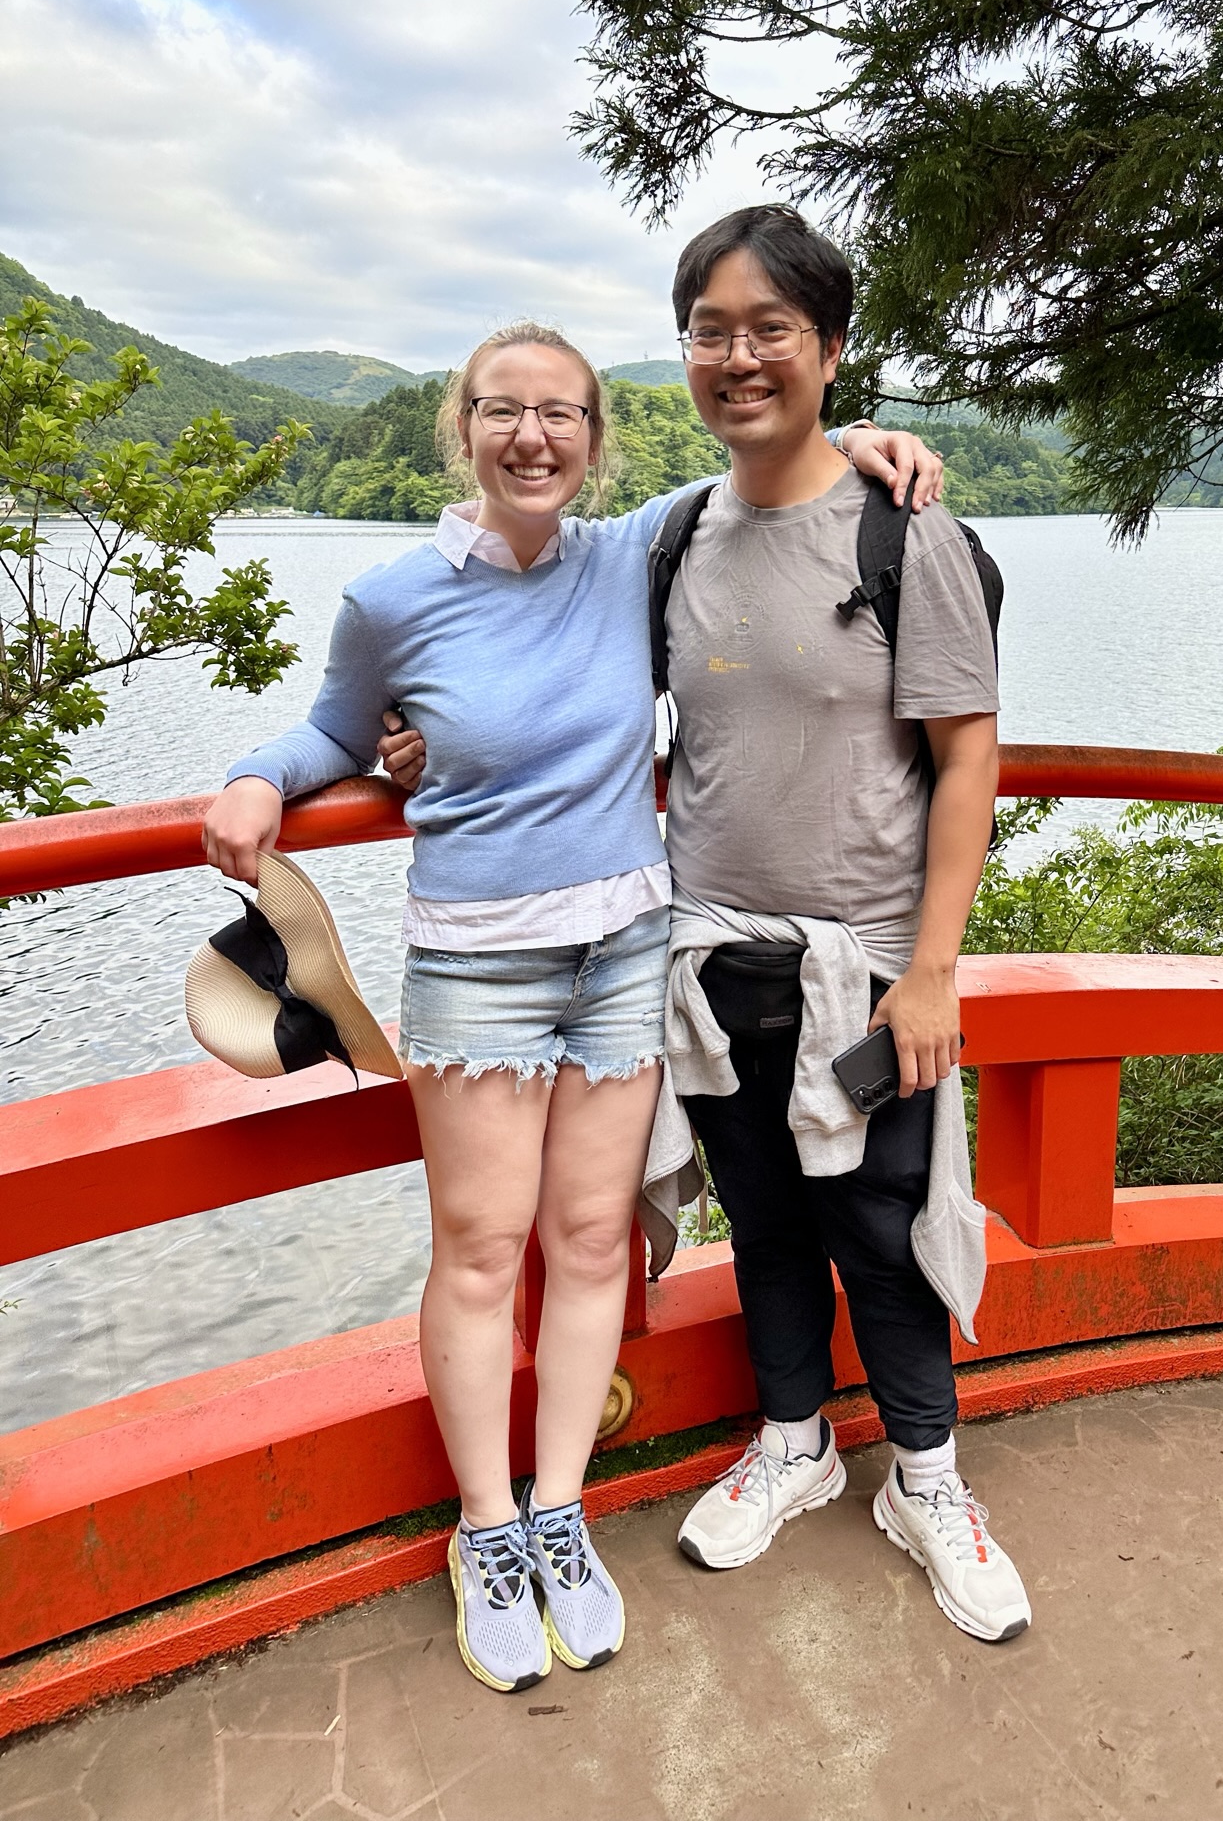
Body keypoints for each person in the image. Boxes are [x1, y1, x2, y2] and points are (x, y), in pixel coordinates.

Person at [201, 317, 940, 1695]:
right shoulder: (392, 596)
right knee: (483, 1252)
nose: (531, 436)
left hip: (623, 952)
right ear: (464, 430)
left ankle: (560, 1508)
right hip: (475, 960)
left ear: (597, 442)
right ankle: (485, 1531)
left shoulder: (635, 557)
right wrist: (261, 776)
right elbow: (333, 731)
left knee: (593, 1240)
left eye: (561, 415)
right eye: (502, 412)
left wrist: (869, 445)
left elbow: (767, 473)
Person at [643, 206, 1031, 1642]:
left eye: (769, 330)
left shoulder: (901, 526)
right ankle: (798, 1447)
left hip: (863, 972)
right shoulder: (678, 534)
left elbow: (969, 756)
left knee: (880, 1226)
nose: (737, 357)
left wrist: (933, 973)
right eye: (710, 329)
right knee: (763, 1226)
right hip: (710, 959)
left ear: (829, 349)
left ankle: (927, 1479)